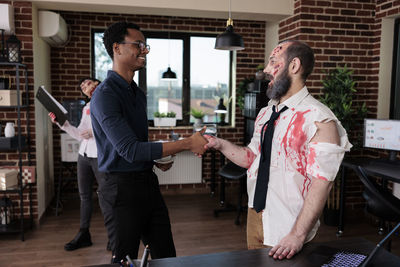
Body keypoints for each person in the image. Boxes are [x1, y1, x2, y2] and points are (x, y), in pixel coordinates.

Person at [205, 40, 352, 260]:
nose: (265, 69)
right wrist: (220, 144)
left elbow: (322, 183)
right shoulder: (266, 113)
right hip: (256, 214)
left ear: (294, 66)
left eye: (273, 61)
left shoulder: (320, 119)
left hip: (289, 225)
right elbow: (252, 158)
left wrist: (297, 234)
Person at [90, 21, 208, 263]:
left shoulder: (138, 93)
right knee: (125, 259)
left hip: (147, 183)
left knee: (166, 255)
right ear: (117, 48)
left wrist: (154, 159)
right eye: (138, 45)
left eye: (145, 46)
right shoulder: (105, 95)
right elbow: (130, 150)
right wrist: (186, 143)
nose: (144, 51)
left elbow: (135, 143)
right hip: (120, 189)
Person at [49, 77, 111, 251]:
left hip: (100, 156)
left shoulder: (108, 102)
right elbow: (79, 134)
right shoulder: (87, 108)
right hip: (83, 155)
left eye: (88, 83)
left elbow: (111, 128)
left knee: (105, 197)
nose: (85, 87)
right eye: (82, 87)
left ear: (97, 84)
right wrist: (63, 124)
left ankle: (114, 236)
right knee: (84, 197)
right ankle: (84, 234)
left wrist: (93, 131)